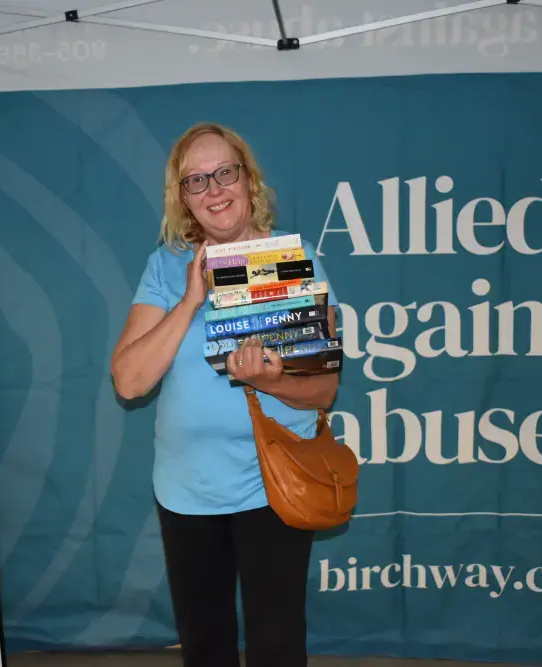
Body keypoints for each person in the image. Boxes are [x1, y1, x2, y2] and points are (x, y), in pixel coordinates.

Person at [110, 122, 340, 667]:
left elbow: (324, 388)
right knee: (205, 644)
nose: (214, 190)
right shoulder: (166, 265)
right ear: (183, 199)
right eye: (196, 181)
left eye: (224, 173)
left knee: (277, 645)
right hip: (187, 489)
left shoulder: (294, 257)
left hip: (275, 482)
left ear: (248, 181)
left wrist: (268, 381)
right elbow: (129, 380)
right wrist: (190, 299)